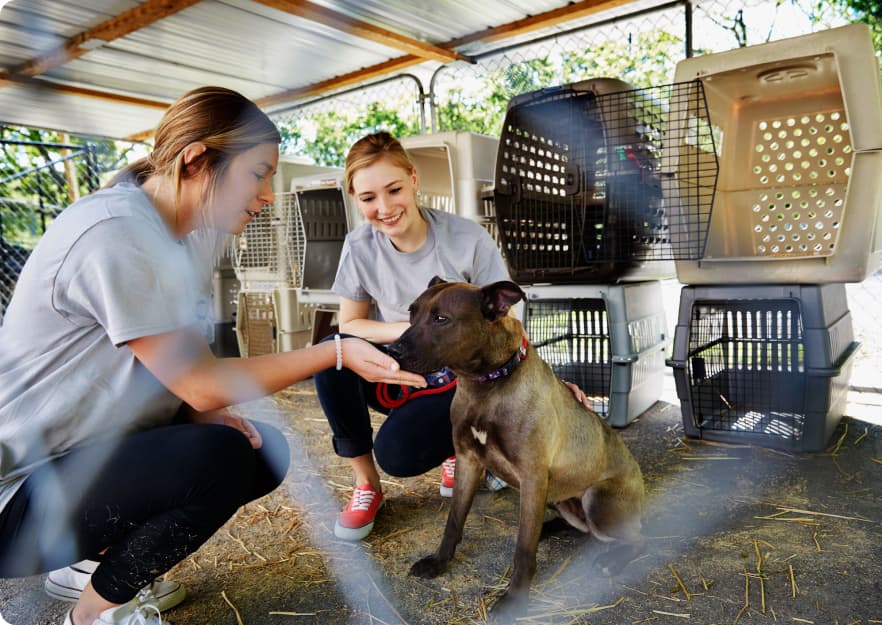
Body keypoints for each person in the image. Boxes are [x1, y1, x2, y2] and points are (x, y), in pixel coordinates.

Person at [0, 88, 425, 625]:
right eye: (257, 174)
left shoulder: (184, 234)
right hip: (17, 488)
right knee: (217, 459)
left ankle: (88, 564)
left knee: (257, 451)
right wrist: (332, 350)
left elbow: (184, 375)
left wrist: (201, 413)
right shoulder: (117, 234)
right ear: (197, 160)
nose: (268, 194)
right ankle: (90, 616)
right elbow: (202, 381)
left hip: (82, 459)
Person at [313, 131, 513, 542]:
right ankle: (367, 485)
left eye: (394, 189)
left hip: (459, 378)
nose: (384, 208)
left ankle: (461, 446)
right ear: (355, 199)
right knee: (328, 353)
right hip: (400, 363)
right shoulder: (358, 246)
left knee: (399, 455)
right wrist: (416, 332)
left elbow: (506, 326)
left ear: (414, 180)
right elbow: (349, 325)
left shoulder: (467, 239)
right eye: (368, 198)